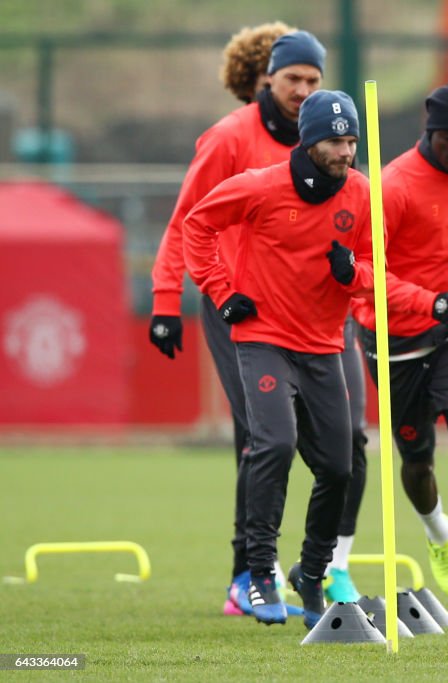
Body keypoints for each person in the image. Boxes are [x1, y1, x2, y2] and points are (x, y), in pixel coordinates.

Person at [148, 26, 365, 612]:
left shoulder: (346, 168)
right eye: (293, 77)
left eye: (313, 80)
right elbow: (187, 219)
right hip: (241, 305)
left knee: (347, 443)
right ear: (267, 77)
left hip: (322, 313)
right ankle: (250, 574)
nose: (302, 88)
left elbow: (371, 257)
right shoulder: (230, 140)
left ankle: (324, 568)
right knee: (264, 437)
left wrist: (363, 287)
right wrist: (170, 297)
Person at [351, 78, 448, 614]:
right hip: (394, 337)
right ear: (429, 131)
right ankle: (439, 536)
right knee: (417, 458)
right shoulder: (392, 189)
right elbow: (364, 273)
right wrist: (429, 302)